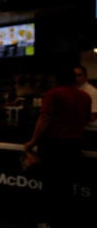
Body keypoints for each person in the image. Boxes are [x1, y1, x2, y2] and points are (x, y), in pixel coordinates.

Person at [24, 66, 92, 228]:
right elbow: (87, 119)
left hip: (54, 145)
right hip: (75, 146)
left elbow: (45, 118)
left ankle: (49, 221)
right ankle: (65, 220)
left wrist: (32, 141)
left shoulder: (53, 94)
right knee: (67, 185)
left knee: (52, 186)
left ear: (56, 79)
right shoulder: (85, 97)